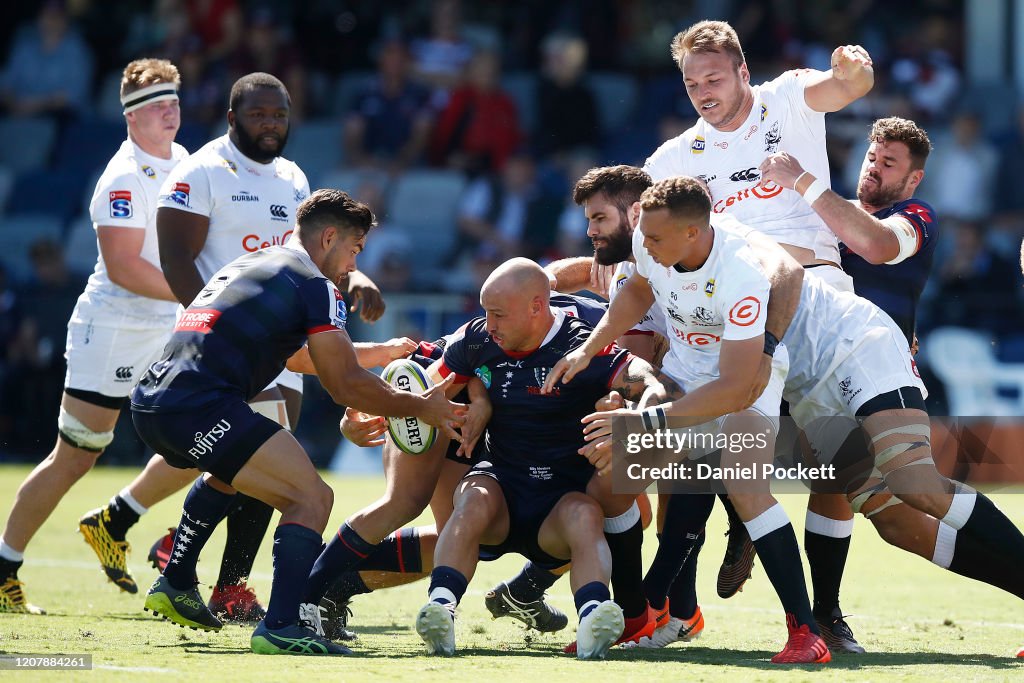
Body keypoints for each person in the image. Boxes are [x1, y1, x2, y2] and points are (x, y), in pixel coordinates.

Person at [552, 175, 1024, 658]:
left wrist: (641, 422)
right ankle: (702, 609)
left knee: (915, 482)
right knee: (897, 523)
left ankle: (790, 618)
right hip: (802, 382)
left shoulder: (738, 265)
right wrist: (589, 349)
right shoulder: (656, 245)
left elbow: (740, 379)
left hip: (853, 347)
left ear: (693, 229)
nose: (641, 246)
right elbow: (636, 289)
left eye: (648, 236)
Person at [78, 72, 387, 623]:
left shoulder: (293, 177)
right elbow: (174, 257)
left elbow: (318, 249)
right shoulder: (201, 169)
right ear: (231, 118)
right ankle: (214, 578)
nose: (270, 125)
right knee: (257, 462)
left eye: (279, 115)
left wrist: (354, 280)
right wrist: (223, 329)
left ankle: (175, 554)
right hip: (228, 347)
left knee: (252, 465)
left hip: (283, 334)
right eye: (258, 114)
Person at [135, 188, 465, 655]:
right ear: (329, 237)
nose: (353, 266)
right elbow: (343, 384)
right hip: (199, 405)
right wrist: (420, 407)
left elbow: (296, 358)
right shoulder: (315, 284)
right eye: (354, 250)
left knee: (232, 476)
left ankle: (177, 579)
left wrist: (384, 353)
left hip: (154, 400)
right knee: (311, 497)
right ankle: (282, 625)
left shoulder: (258, 263)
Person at [641, 19, 875, 651]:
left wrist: (853, 70)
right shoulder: (673, 159)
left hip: (816, 292)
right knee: (687, 445)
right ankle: (674, 602)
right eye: (691, 83)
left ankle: (824, 611)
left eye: (714, 78)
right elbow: (644, 231)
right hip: (728, 316)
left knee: (834, 468)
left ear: (744, 73)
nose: (703, 92)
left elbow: (845, 87)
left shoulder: (787, 100)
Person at [410, 258, 675, 659]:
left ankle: (592, 622)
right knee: (473, 496)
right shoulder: (479, 338)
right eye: (485, 312)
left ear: (537, 307)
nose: (489, 323)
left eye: (498, 314)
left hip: (560, 505)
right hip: (500, 491)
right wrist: (375, 413)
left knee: (586, 513)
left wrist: (640, 413)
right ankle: (441, 610)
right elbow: (425, 388)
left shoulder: (580, 345)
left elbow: (650, 379)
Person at [0, 58, 187, 613]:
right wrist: (196, 295)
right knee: (75, 456)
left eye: (174, 99)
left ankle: (118, 517)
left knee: (212, 432)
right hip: (114, 330)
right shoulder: (122, 177)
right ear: (131, 117)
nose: (170, 110)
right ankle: (4, 565)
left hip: (169, 325)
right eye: (157, 103)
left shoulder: (184, 161)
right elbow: (127, 268)